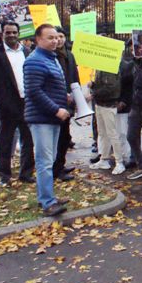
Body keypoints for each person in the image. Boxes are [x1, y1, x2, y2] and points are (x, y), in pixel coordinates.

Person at [23, 24, 69, 216]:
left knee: (49, 159)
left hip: (52, 119)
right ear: (38, 40)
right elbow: (34, 92)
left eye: (56, 37)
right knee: (44, 161)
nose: (55, 40)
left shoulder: (52, 59)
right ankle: (47, 202)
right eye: (50, 38)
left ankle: (48, 196)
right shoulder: (34, 61)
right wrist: (56, 109)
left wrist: (65, 97)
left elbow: (50, 86)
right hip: (43, 118)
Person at [0, 21, 35, 186]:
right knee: (5, 141)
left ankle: (26, 174)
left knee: (28, 140)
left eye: (14, 32)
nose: (11, 35)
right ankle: (4, 176)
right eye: (8, 32)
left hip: (27, 103)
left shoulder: (27, 52)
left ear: (18, 34)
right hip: (7, 105)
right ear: (2, 34)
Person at [52, 27, 78, 182]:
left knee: (65, 136)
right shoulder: (51, 56)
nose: (59, 39)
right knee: (58, 137)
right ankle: (56, 169)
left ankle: (60, 165)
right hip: (57, 103)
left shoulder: (69, 55)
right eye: (56, 36)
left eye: (61, 36)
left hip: (69, 101)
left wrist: (77, 96)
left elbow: (74, 75)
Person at [89, 67, 126, 175]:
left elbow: (112, 88)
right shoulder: (100, 67)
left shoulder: (112, 68)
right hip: (100, 103)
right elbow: (102, 84)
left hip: (109, 104)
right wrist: (93, 84)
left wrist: (94, 93)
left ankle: (119, 162)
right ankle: (104, 159)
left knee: (112, 133)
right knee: (102, 133)